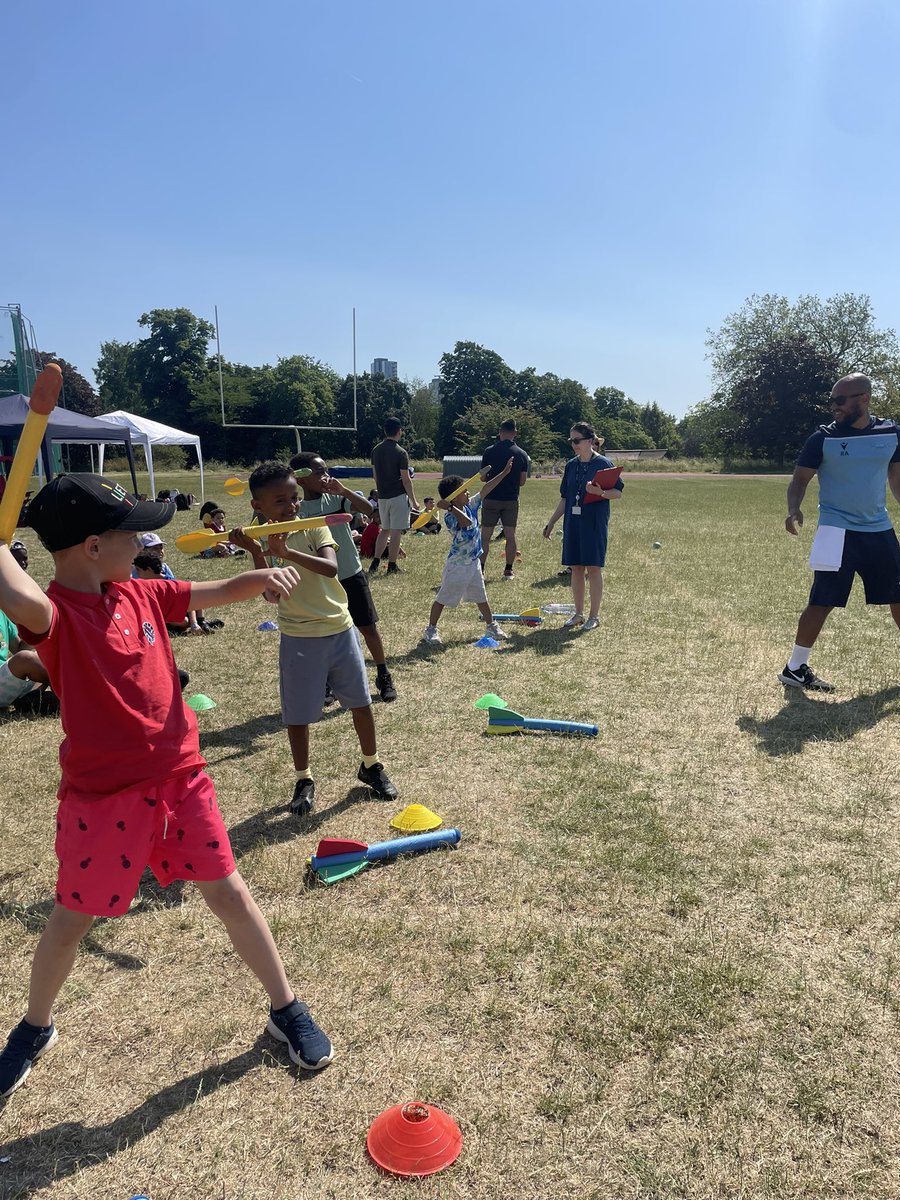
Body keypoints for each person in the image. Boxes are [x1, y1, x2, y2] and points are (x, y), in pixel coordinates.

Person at [0, 473, 334, 1100]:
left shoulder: (142, 594)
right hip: (105, 798)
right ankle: (33, 1027)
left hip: (182, 779)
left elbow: (214, 589)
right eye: (133, 534)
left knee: (230, 893)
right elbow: (14, 592)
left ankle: (285, 1007)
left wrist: (257, 580)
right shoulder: (56, 616)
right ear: (93, 545)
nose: (147, 542)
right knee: (72, 920)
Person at [235, 462, 398, 816]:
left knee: (360, 703)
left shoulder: (313, 526)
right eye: (281, 501)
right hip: (298, 635)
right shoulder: (260, 535)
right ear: (257, 507)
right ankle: (303, 778)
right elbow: (270, 596)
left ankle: (371, 765)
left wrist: (288, 552)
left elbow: (330, 568)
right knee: (298, 714)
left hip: (339, 628)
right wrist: (256, 551)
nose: (292, 506)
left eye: (294, 497)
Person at [779, 373, 900, 691]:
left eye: (840, 400)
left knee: (899, 595)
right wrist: (794, 509)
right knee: (822, 600)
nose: (834, 407)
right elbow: (799, 480)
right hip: (835, 530)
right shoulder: (822, 438)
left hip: (879, 529)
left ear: (864, 399)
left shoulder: (891, 432)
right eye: (832, 400)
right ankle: (794, 668)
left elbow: (896, 477)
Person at [288, 451, 396, 703]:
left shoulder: (335, 499)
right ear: (301, 479)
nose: (325, 476)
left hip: (350, 573)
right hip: (321, 580)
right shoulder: (298, 510)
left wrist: (344, 491)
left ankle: (383, 674)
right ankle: (326, 682)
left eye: (326, 470)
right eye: (319, 472)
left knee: (368, 627)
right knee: (323, 633)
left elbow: (371, 511)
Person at [421, 461, 514, 645]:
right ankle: (430, 629)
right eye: (463, 491)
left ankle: (491, 625)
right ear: (454, 498)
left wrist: (504, 473)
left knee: (481, 596)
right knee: (443, 597)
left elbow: (486, 488)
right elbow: (465, 523)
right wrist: (449, 508)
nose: (468, 492)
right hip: (457, 564)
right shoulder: (450, 516)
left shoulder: (470, 504)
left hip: (473, 562)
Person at [542, 422, 624, 630]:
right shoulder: (571, 465)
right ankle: (578, 614)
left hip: (594, 523)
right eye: (571, 440)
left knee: (593, 568)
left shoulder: (604, 464)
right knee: (576, 568)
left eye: (576, 440)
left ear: (590, 441)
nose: (573, 444)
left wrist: (601, 494)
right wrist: (551, 522)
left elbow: (618, 492)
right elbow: (565, 498)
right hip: (573, 522)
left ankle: (593, 616)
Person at [480, 418, 530, 578]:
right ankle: (508, 569)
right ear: (515, 433)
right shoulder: (522, 454)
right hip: (511, 499)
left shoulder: (489, 451)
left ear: (500, 432)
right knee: (510, 535)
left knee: (485, 537)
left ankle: (480, 568)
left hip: (491, 498)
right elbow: (522, 482)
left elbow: (482, 477)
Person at [370, 417, 418, 574]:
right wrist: (414, 501)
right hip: (397, 496)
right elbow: (406, 480)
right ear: (399, 432)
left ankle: (375, 561)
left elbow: (375, 476)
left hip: (382, 496)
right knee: (396, 531)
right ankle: (392, 565)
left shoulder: (376, 450)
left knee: (385, 530)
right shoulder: (400, 452)